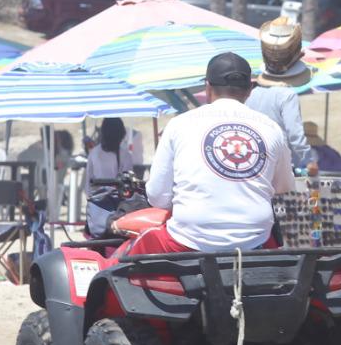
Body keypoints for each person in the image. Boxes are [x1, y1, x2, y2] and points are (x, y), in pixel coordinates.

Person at [126, 52, 295, 255]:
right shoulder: (271, 128)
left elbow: (157, 196)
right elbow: (283, 187)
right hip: (255, 241)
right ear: (249, 90)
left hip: (185, 241)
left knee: (130, 254)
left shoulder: (180, 124)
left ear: (207, 87)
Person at [245, 18, 316, 176]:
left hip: (252, 163)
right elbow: (295, 135)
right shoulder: (287, 96)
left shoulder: (251, 93)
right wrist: (309, 161)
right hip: (278, 167)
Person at [86, 116, 137, 237]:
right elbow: (128, 187)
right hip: (117, 213)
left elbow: (87, 185)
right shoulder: (125, 155)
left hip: (96, 210)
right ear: (121, 134)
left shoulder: (94, 153)